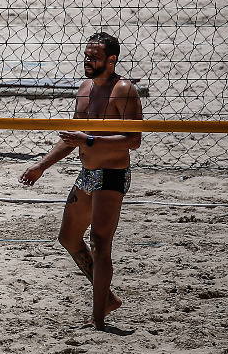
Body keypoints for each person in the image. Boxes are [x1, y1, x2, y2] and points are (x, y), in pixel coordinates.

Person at [19, 32, 142, 331]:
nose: (88, 61)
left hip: (111, 175)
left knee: (101, 244)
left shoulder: (123, 90)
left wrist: (89, 139)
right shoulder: (85, 88)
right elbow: (73, 139)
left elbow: (133, 140)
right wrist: (41, 166)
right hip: (87, 173)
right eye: (86, 55)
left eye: (95, 57)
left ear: (111, 60)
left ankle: (98, 318)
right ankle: (108, 298)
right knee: (68, 237)